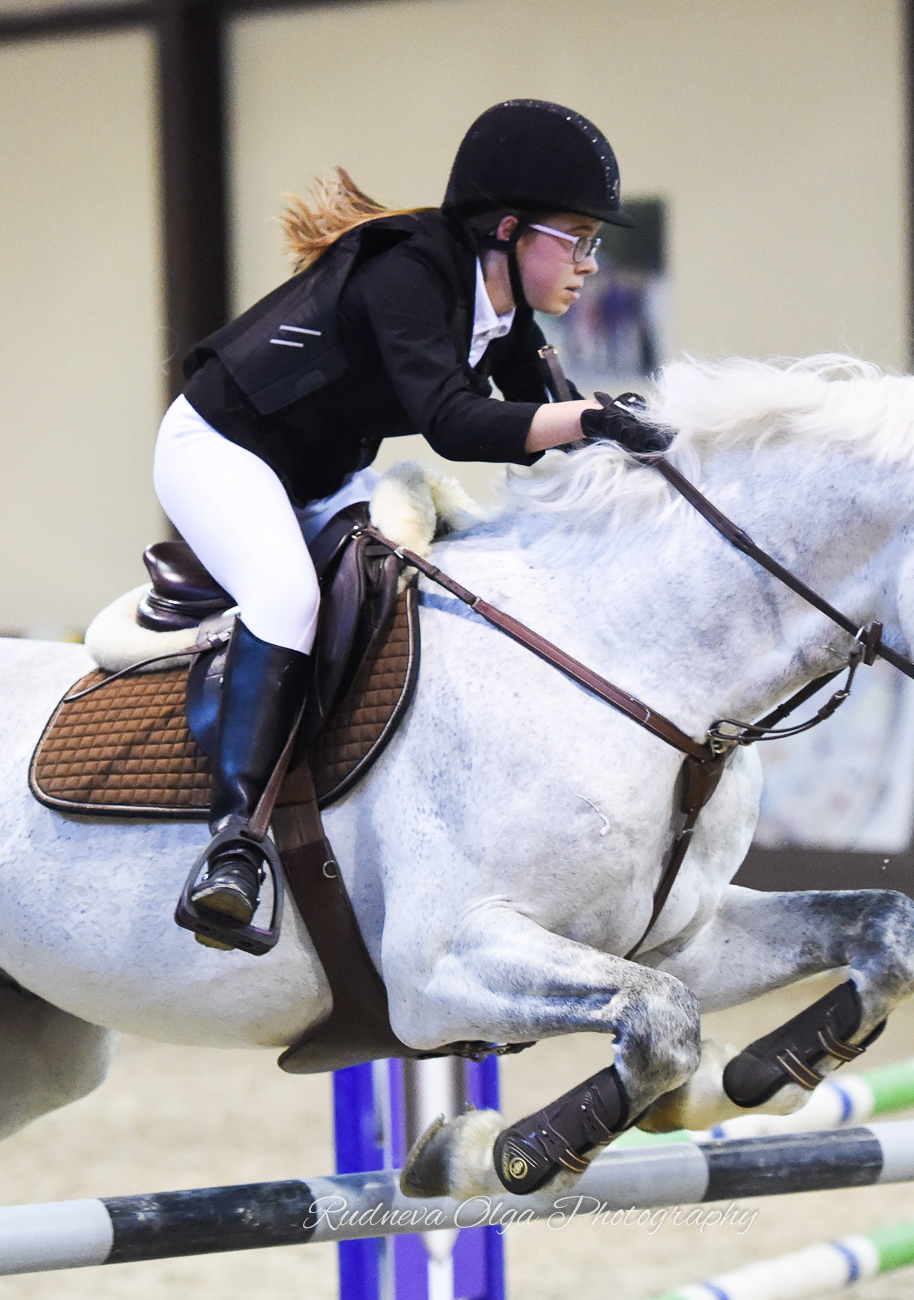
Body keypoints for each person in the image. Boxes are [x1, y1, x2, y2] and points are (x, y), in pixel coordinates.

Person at [159, 99, 665, 951]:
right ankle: (234, 843)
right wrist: (589, 419)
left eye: (593, 244)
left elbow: (550, 428)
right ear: (507, 229)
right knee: (286, 597)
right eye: (577, 238)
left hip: (320, 471)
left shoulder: (503, 309)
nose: (589, 263)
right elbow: (456, 424)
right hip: (219, 449)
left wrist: (642, 447)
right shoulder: (410, 275)